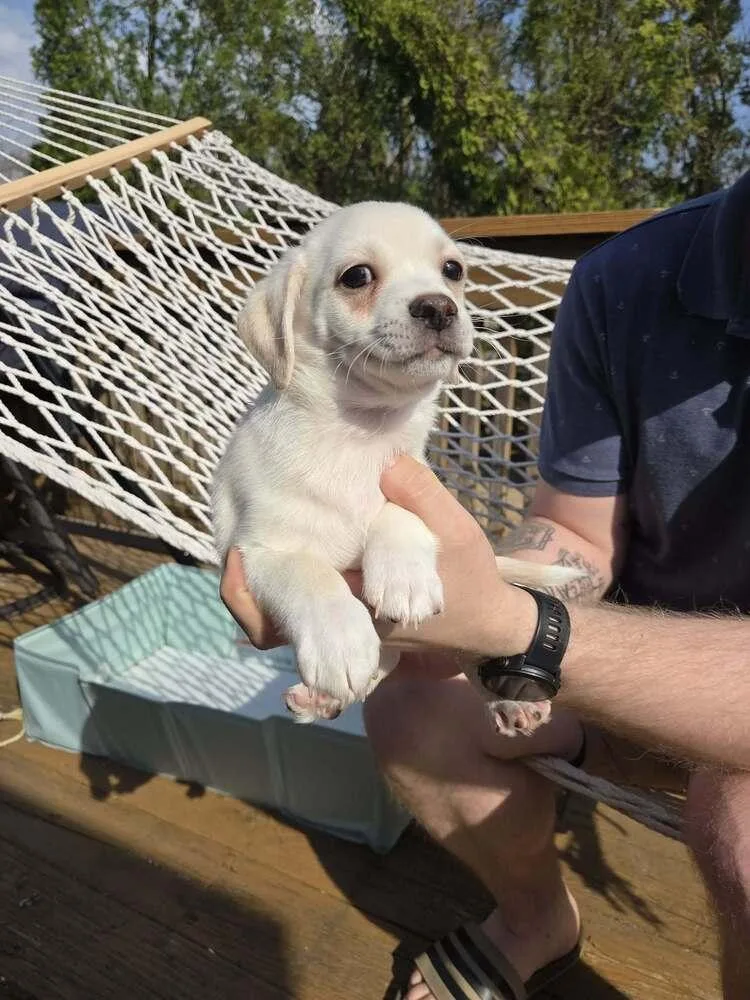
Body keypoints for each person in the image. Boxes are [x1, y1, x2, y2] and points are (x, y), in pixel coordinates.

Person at [220, 169, 750, 1000]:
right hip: (617, 682)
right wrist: (502, 624)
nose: (433, 299)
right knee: (412, 703)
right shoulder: (627, 277)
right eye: (362, 278)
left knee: (742, 821)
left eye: (450, 274)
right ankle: (537, 917)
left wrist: (519, 631)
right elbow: (571, 535)